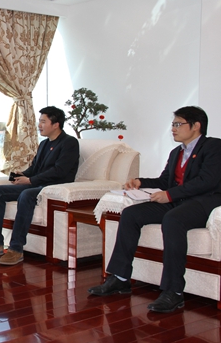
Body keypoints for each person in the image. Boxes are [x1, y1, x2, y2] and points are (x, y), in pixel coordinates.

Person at [88, 106, 221, 313]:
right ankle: (120, 278)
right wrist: (140, 182)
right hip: (178, 201)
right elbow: (165, 181)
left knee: (173, 219)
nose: (173, 128)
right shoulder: (176, 152)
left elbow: (207, 181)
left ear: (196, 126)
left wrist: (169, 195)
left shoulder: (214, 146)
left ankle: (173, 291)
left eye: (178, 124)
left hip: (203, 203)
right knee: (131, 214)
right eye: (173, 124)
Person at [0, 106, 80, 265]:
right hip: (38, 183)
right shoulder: (44, 144)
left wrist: (30, 181)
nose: (39, 125)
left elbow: (60, 171)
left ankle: (16, 249)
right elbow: (35, 168)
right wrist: (22, 175)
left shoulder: (69, 143)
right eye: (40, 121)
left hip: (54, 186)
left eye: (43, 121)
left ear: (55, 124)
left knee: (27, 194)